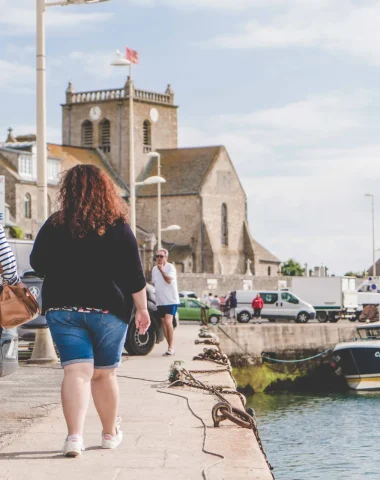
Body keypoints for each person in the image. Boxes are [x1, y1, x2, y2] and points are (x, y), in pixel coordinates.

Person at [30, 165, 150, 458]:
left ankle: (74, 438)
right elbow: (135, 274)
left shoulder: (55, 224)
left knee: (76, 371)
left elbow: (37, 263)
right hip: (108, 309)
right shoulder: (117, 225)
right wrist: (143, 309)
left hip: (63, 308)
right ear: (105, 189)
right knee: (105, 375)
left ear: (67, 191)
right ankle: (109, 434)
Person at [152, 248, 179, 356]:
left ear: (166, 258)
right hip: (160, 300)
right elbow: (155, 283)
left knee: (168, 321)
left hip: (170, 299)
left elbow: (168, 280)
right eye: (157, 256)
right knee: (164, 323)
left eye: (161, 256)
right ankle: (169, 347)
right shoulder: (154, 269)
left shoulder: (170, 267)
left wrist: (161, 270)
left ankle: (171, 347)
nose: (159, 258)